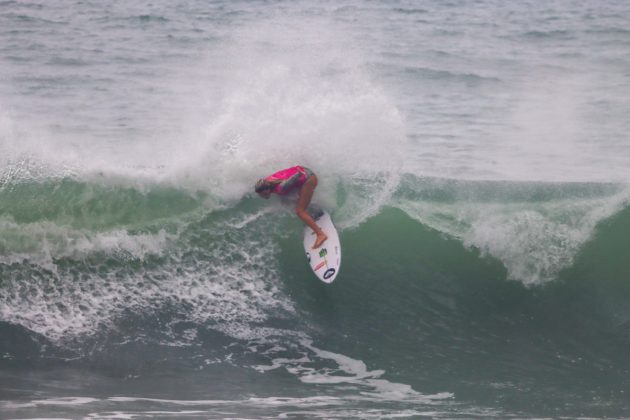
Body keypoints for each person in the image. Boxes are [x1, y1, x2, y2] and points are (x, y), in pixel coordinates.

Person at [255, 165, 327, 249]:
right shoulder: (267, 181)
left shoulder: (281, 187)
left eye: (263, 194)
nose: (262, 197)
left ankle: (321, 235)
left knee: (300, 211)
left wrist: (298, 174)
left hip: (309, 179)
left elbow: (292, 179)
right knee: (294, 200)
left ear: (267, 190)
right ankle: (316, 210)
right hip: (304, 171)